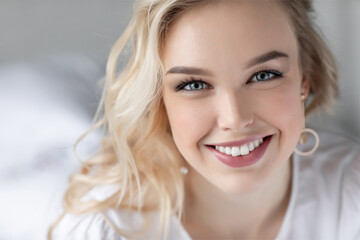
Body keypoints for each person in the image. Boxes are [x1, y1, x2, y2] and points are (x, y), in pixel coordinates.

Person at [50, 0, 360, 239]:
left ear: (303, 80)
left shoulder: (351, 193)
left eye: (264, 75)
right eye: (194, 85)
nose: (235, 119)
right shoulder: (106, 229)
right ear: (160, 101)